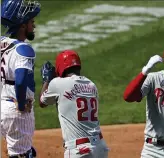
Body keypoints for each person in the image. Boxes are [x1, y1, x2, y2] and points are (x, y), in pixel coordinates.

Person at [39, 50, 109, 158]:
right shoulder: (91, 85)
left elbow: (42, 102)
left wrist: (46, 80)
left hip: (79, 150)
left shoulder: (58, 83)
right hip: (100, 147)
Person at [1, 0, 41, 157]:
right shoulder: (23, 49)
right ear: (23, 25)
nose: (34, 26)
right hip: (16, 111)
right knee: (23, 155)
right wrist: (22, 103)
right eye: (31, 22)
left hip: (2, 107)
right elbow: (20, 79)